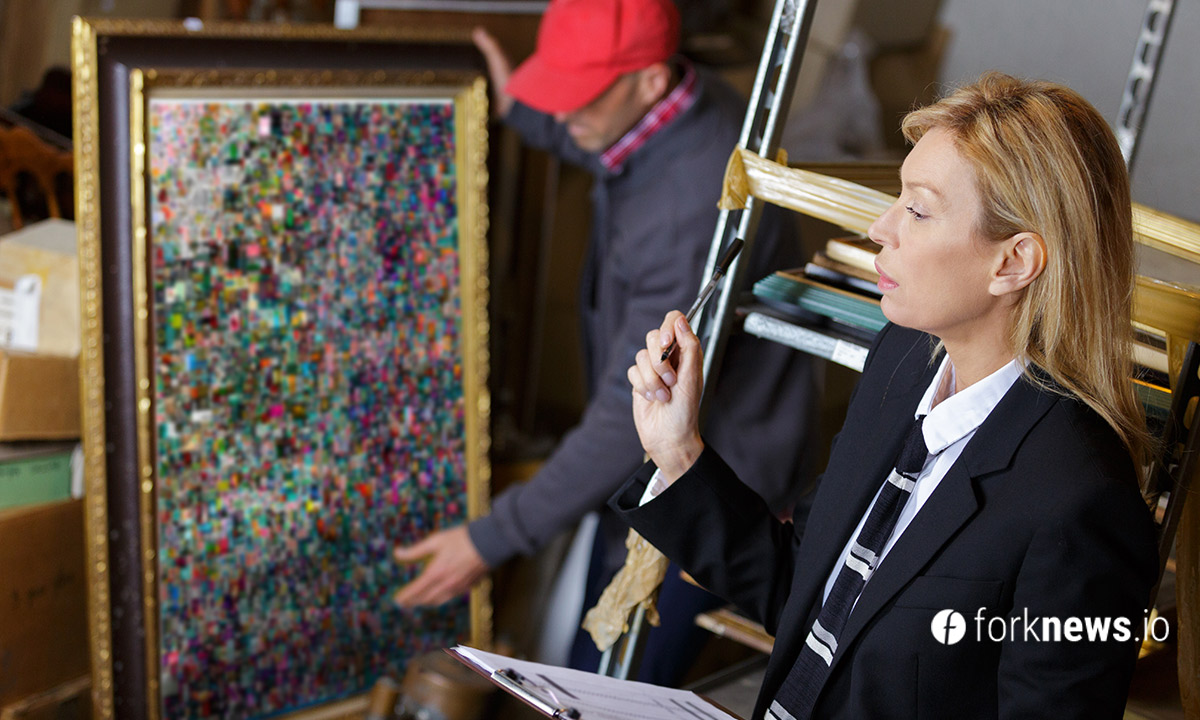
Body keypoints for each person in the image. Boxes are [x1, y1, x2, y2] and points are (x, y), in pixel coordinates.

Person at [617, 72, 1158, 719]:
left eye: (918, 211)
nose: (880, 228)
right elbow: (807, 592)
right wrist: (678, 452)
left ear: (1013, 262)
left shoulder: (1081, 500)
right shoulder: (901, 363)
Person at [392, 0, 819, 684]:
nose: (563, 112)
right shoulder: (679, 104)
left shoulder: (686, 207)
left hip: (715, 476)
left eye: (579, 95)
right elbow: (605, 143)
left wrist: (491, 538)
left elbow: (627, 418)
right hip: (656, 453)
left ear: (650, 81)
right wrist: (523, 107)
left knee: (606, 684)